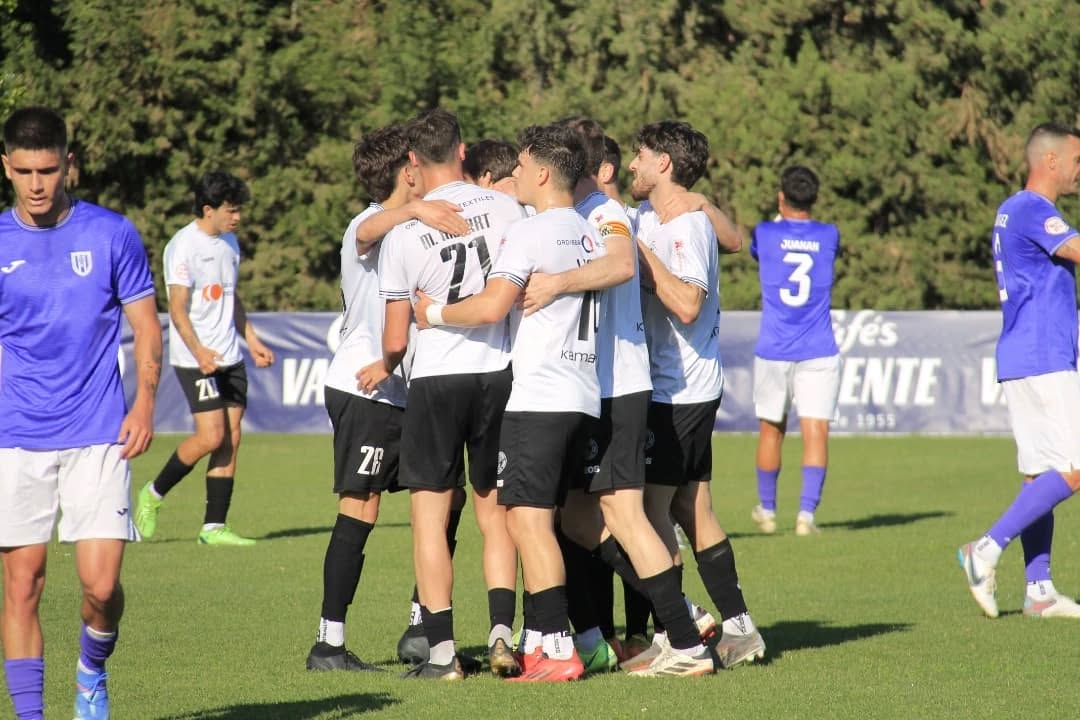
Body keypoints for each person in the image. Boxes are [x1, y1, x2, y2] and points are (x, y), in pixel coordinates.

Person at [522, 116, 715, 678]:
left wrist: (556, 282)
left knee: (624, 515)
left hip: (619, 387)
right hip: (593, 387)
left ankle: (684, 641)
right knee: (578, 517)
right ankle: (686, 617)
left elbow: (623, 264)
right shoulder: (574, 215)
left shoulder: (607, 215)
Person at [0, 106, 162, 720]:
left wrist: (144, 402)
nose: (37, 184)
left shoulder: (111, 233)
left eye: (48, 169)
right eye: (24, 172)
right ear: (6, 166)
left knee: (100, 588)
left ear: (69, 162)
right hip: (16, 436)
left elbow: (147, 328)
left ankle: (91, 669)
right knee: (23, 584)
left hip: (98, 434)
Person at [364, 107, 526, 680]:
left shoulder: (404, 234)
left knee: (430, 519)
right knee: (495, 511)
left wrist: (381, 364)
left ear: (412, 161)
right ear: (462, 150)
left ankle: (442, 656)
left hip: (436, 382)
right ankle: (504, 634)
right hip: (499, 373)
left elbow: (394, 338)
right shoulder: (506, 207)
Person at [306, 123, 471, 672]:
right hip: (364, 387)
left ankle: (422, 624)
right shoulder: (370, 223)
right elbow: (366, 230)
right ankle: (329, 644)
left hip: (407, 389)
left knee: (447, 495)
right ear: (407, 171)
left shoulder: (416, 228)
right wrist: (414, 211)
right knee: (362, 508)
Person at [631, 120, 766, 668]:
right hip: (686, 385)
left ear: (663, 162)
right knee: (692, 505)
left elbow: (686, 304)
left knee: (649, 509)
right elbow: (737, 238)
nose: (633, 164)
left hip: (679, 388)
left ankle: (675, 634)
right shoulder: (657, 214)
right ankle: (740, 630)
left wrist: (642, 257)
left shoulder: (684, 226)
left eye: (640, 154)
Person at [958, 123, 1080, 619]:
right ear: (1049, 161)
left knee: (1039, 478)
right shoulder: (1032, 208)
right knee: (1073, 467)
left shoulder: (1012, 210)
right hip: (1042, 356)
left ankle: (1039, 590)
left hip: (1026, 355)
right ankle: (983, 551)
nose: (1078, 169)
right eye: (1076, 158)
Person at [133, 172, 274, 546]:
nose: (238, 217)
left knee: (231, 438)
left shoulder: (230, 243)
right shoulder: (182, 247)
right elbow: (177, 309)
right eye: (232, 210)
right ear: (208, 209)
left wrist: (252, 339)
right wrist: (199, 352)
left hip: (229, 355)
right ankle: (153, 493)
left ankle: (213, 528)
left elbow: (232, 297)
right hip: (195, 358)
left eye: (239, 210)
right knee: (211, 437)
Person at [749, 166, 841, 537]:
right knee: (815, 432)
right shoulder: (828, 234)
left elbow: (760, 253)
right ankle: (806, 517)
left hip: (774, 348)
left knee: (772, 430)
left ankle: (768, 512)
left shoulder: (765, 232)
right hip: (818, 347)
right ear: (814, 198)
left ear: (781, 197)